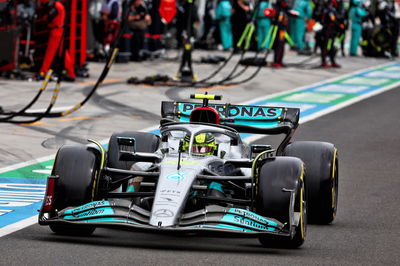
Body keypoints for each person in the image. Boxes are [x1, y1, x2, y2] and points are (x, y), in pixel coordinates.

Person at [319, 0, 341, 67]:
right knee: (326, 47)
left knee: (332, 47)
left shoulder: (327, 10)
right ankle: (324, 62)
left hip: (330, 31)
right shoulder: (329, 11)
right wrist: (340, 25)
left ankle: (332, 61)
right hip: (328, 31)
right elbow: (333, 20)